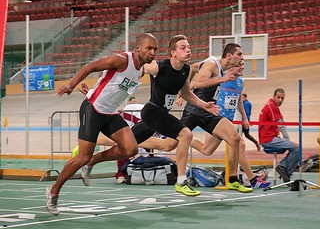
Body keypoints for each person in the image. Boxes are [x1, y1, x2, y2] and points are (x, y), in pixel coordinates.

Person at [82, 34, 220, 197]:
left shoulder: (186, 70)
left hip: (157, 117)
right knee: (185, 135)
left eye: (189, 46)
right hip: (153, 112)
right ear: (172, 52)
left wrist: (204, 105)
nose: (188, 50)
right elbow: (133, 67)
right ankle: (181, 182)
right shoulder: (158, 67)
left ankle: (91, 161)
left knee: (127, 150)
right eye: (183, 47)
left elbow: (187, 94)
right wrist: (97, 91)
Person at [45, 33, 158, 216]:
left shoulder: (141, 70)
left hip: (110, 113)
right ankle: (53, 191)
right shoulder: (121, 60)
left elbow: (112, 88)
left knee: (131, 149)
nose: (152, 52)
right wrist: (71, 85)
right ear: (138, 48)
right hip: (93, 109)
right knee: (82, 156)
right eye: (149, 48)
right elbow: (91, 66)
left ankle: (92, 163)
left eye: (155, 50)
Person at [178, 42, 270, 192]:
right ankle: (252, 179)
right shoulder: (217, 68)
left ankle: (234, 179)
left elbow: (238, 99)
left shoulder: (239, 82)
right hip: (207, 111)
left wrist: (245, 118)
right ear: (230, 61)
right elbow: (195, 76)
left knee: (214, 148)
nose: (242, 65)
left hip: (218, 116)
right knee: (237, 143)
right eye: (239, 59)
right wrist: (184, 90)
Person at [258, 88, 299, 183]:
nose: (280, 100)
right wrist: (288, 141)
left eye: (282, 98)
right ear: (274, 97)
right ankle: (286, 172)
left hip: (271, 138)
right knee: (297, 148)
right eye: (278, 97)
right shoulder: (271, 106)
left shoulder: (273, 106)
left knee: (295, 148)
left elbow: (281, 123)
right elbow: (281, 126)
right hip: (268, 139)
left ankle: (283, 167)